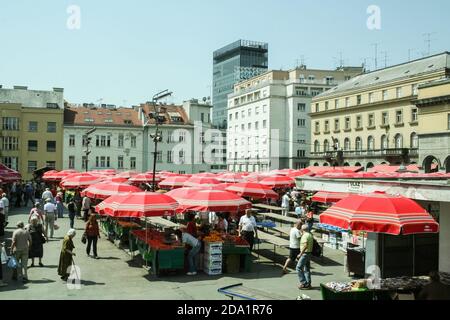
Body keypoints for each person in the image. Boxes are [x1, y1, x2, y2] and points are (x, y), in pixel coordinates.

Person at [296, 224, 314, 290]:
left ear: (302, 229)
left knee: (298, 268)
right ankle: (308, 283)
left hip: (305, 254)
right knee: (307, 269)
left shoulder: (305, 236)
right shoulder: (310, 235)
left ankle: (304, 283)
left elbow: (305, 245)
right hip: (309, 253)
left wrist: (300, 254)